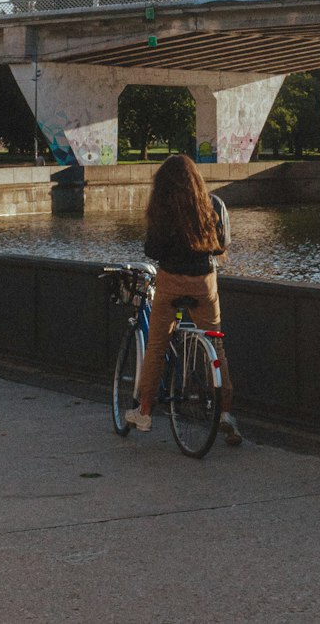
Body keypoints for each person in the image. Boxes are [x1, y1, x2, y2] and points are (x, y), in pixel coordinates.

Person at [125, 153, 242, 446]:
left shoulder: (161, 209)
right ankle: (225, 412)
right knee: (215, 344)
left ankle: (146, 411)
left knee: (156, 346)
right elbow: (221, 245)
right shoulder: (212, 204)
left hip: (171, 283)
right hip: (204, 282)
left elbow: (152, 249)